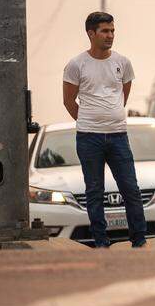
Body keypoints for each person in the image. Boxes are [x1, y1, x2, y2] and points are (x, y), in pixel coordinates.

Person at [61, 12, 147, 249]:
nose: (110, 35)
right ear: (91, 33)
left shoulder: (122, 62)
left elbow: (123, 95)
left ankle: (139, 241)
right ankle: (101, 243)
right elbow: (69, 102)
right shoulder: (76, 64)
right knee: (94, 191)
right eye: (105, 31)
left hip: (119, 136)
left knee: (130, 188)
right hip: (89, 138)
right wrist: (90, 121)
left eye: (112, 31)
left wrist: (111, 116)